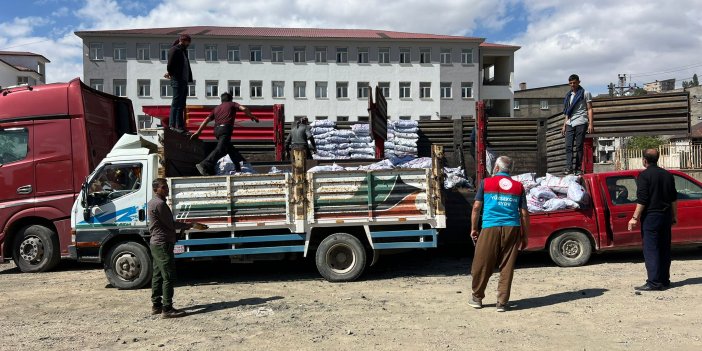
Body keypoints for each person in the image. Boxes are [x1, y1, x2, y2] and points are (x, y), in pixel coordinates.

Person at [468, 156, 529, 312]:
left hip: (490, 226)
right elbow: (523, 213)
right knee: (507, 265)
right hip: (512, 228)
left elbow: (476, 207)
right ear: (510, 170)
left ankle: (477, 297)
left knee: (481, 263)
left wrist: (474, 228)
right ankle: (501, 303)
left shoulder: (486, 183)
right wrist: (525, 235)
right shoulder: (518, 186)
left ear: (496, 168)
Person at [148, 178, 207, 318]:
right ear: (156, 189)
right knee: (168, 276)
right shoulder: (160, 204)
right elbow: (171, 225)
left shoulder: (152, 202)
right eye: (164, 187)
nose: (167, 190)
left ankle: (156, 305)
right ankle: (167, 309)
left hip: (156, 243)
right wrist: (190, 225)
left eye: (167, 187)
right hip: (162, 244)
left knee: (157, 275)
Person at [627, 149, 677, 291]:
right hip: (666, 215)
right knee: (664, 248)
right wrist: (674, 216)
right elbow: (673, 198)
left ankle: (654, 282)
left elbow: (642, 199)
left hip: (651, 217)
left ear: (644, 160)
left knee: (651, 249)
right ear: (658, 159)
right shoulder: (668, 175)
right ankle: (664, 280)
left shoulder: (644, 176)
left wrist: (634, 218)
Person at [191, 92, 258, 175]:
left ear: (221, 100)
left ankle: (238, 168)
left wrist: (198, 132)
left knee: (229, 149)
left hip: (216, 131)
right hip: (225, 129)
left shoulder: (216, 108)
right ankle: (204, 164)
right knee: (221, 149)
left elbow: (206, 120)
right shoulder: (232, 104)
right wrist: (252, 116)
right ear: (230, 99)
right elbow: (244, 109)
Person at [560, 74, 594, 176]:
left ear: (579, 82)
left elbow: (590, 109)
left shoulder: (585, 93)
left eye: (574, 83)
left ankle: (578, 168)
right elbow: (568, 112)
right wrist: (564, 124)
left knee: (579, 146)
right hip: (570, 122)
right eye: (570, 83)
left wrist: (591, 124)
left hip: (581, 121)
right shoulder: (568, 95)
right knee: (568, 146)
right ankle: (569, 167)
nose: (572, 85)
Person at [165, 34, 193, 133]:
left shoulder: (183, 51)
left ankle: (180, 126)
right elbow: (170, 64)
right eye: (188, 42)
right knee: (176, 103)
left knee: (181, 104)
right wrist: (171, 74)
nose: (189, 44)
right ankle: (172, 125)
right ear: (183, 41)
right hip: (177, 79)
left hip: (184, 80)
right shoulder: (175, 50)